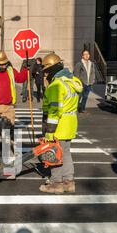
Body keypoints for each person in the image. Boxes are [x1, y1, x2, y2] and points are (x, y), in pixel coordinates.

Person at [39, 53, 83, 194]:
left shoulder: (56, 86)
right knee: (65, 152)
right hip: (70, 123)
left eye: (46, 72)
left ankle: (56, 183)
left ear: (51, 69)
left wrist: (49, 131)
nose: (46, 76)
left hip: (58, 125)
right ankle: (68, 182)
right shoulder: (72, 81)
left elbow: (54, 110)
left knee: (54, 153)